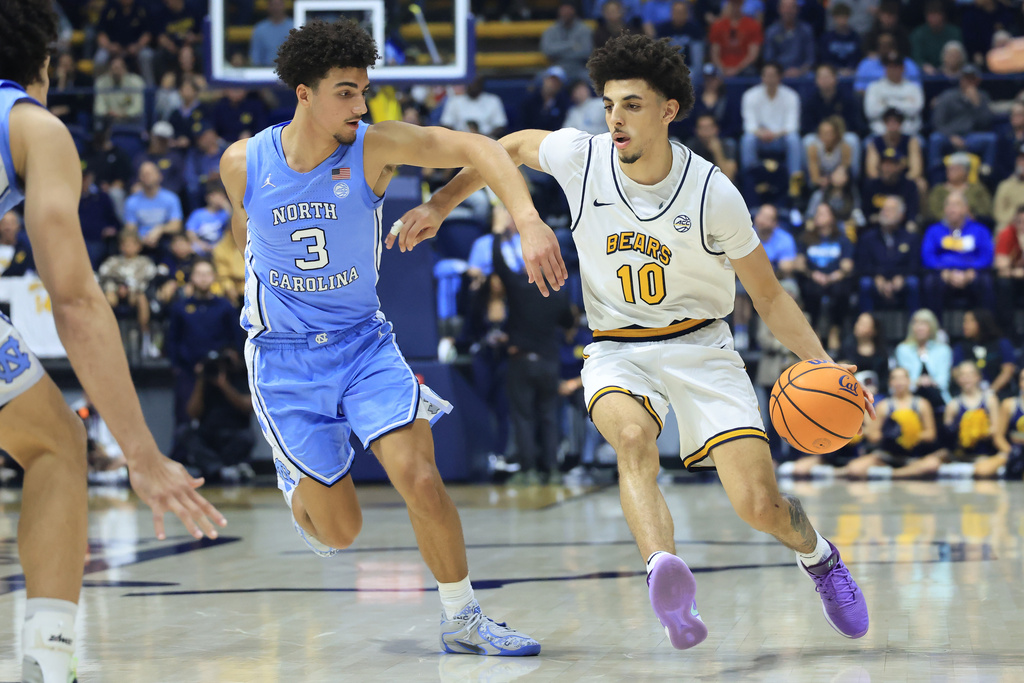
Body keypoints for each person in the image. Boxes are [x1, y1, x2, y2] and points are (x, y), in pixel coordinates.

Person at [394, 32, 872, 649]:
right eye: (609, 104)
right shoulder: (581, 155)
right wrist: (441, 203)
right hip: (618, 349)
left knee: (759, 505)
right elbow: (506, 147)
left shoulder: (712, 193)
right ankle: (665, 576)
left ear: (669, 110)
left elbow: (772, 297)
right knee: (630, 438)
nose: (615, 117)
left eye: (633, 105)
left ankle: (820, 557)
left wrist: (825, 365)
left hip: (703, 346)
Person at [219, 19, 558, 655]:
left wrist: (519, 218)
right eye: (346, 92)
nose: (360, 105)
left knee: (422, 478)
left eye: (364, 91)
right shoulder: (242, 162)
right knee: (339, 533)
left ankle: (463, 619)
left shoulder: (374, 147)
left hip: (363, 343)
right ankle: (300, 485)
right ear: (304, 93)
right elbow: (247, 242)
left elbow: (486, 149)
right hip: (284, 361)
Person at [0, 4, 225, 681]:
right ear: (45, 65)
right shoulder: (34, 126)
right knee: (56, 444)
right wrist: (142, 452)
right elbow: (72, 297)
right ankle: (48, 653)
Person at [489, 205, 574, 485]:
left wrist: (499, 232)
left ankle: (528, 469)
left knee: (523, 417)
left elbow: (499, 265)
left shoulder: (520, 286)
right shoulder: (558, 295)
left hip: (521, 360)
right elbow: (567, 322)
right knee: (549, 416)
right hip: (549, 361)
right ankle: (550, 468)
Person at [838, 367, 942, 479]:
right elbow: (873, 436)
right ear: (890, 382)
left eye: (902, 378)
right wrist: (889, 435)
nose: (899, 382)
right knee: (855, 468)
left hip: (914, 457)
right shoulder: (884, 406)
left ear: (909, 381)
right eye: (895, 378)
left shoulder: (922, 404)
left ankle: (894, 474)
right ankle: (905, 473)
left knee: (932, 464)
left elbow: (931, 434)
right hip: (888, 456)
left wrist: (909, 434)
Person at [921, 191, 994, 315]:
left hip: (972, 273)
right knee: (930, 283)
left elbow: (987, 255)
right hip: (943, 273)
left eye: (956, 205)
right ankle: (937, 329)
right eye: (948, 205)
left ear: (966, 209)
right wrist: (944, 271)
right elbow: (928, 256)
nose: (951, 209)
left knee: (985, 282)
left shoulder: (980, 230)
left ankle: (983, 327)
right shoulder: (934, 230)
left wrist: (972, 270)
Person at [795, 203, 855, 352]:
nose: (819, 216)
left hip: (835, 279)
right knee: (810, 290)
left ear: (832, 217)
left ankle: (835, 329)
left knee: (841, 291)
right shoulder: (806, 238)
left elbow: (848, 265)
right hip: (813, 278)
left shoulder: (842, 239)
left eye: (824, 213)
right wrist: (812, 273)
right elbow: (799, 263)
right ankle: (815, 331)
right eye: (818, 213)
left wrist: (836, 275)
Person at [928, 66, 996, 176]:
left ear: (977, 81)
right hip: (949, 136)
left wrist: (976, 104)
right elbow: (937, 122)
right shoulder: (948, 96)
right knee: (935, 138)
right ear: (961, 80)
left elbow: (986, 123)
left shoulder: (983, 97)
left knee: (991, 139)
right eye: (966, 79)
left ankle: (986, 172)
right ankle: (935, 172)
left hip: (971, 137)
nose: (969, 82)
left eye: (972, 79)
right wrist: (951, 136)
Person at [856, 196, 920, 312]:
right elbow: (862, 265)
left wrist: (901, 276)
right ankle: (865, 324)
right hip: (875, 279)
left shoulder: (911, 238)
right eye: (884, 209)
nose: (885, 213)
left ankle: (914, 326)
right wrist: (877, 276)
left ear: (901, 215)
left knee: (913, 283)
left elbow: (915, 264)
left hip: (901, 280)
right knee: (865, 283)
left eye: (890, 210)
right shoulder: (868, 237)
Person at [739, 62, 802, 180]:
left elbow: (792, 125)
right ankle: (749, 179)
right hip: (760, 138)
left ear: (780, 77)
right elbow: (749, 125)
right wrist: (761, 133)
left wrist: (775, 134)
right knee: (747, 139)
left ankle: (795, 182)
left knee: (794, 139)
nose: (769, 79)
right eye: (766, 75)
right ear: (762, 77)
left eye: (773, 75)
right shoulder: (750, 95)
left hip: (780, 138)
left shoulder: (791, 96)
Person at [951, 309, 1018, 398]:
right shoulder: (960, 346)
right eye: (964, 321)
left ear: (982, 322)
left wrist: (991, 391)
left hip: (998, 393)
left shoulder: (1002, 343)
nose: (965, 325)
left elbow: (1007, 371)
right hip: (969, 394)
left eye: (970, 321)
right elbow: (956, 372)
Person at [895, 308, 953, 404]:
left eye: (924, 324)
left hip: (938, 396)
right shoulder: (903, 349)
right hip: (910, 395)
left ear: (932, 327)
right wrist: (917, 382)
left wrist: (931, 381)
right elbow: (903, 379)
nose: (920, 328)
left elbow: (943, 382)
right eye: (916, 324)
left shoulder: (943, 350)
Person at [864, 51, 924, 138]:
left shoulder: (914, 88)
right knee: (867, 143)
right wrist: (904, 103)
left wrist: (886, 102)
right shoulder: (874, 87)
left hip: (909, 134)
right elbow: (871, 112)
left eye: (896, 67)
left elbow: (915, 110)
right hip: (880, 135)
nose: (893, 70)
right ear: (885, 68)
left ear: (903, 68)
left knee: (921, 142)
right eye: (890, 66)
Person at [925, 152, 992, 224]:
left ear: (966, 171)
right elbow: (932, 211)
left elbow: (986, 210)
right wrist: (952, 217)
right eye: (949, 169)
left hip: (973, 225)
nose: (949, 172)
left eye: (955, 169)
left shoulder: (978, 189)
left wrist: (970, 216)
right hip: (943, 227)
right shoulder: (938, 190)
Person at [540, 1, 594, 84]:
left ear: (574, 10)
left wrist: (558, 52)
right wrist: (572, 45)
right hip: (557, 67)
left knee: (594, 82)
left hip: (579, 68)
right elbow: (547, 50)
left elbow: (586, 52)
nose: (566, 12)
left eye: (569, 9)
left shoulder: (584, 29)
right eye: (563, 9)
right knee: (540, 81)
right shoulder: (551, 30)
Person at [439, 76, 508, 139]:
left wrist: (485, 137)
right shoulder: (454, 100)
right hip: (459, 140)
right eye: (471, 84)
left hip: (487, 141)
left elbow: (500, 125)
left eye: (476, 84)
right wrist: (458, 135)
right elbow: (446, 123)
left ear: (481, 84)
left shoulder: (493, 100)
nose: (473, 87)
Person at [708, 0, 763, 77]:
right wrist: (722, 68)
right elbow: (715, 53)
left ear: (742, 5)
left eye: (738, 4)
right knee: (709, 70)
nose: (735, 7)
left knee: (751, 71)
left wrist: (737, 69)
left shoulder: (753, 25)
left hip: (744, 69)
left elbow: (753, 55)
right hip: (721, 69)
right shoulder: (717, 26)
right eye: (732, 4)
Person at [762, 0, 816, 78]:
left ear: (797, 9)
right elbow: (769, 59)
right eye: (785, 7)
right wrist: (781, 72)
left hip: (802, 72)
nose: (788, 11)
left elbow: (810, 59)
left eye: (792, 7)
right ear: (779, 9)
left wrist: (800, 71)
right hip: (778, 74)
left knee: (812, 76)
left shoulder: (806, 30)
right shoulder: (771, 32)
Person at [910, 1, 963, 75]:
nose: (934, 18)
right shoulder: (918, 33)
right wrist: (924, 66)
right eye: (931, 14)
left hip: (951, 71)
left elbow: (960, 55)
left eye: (937, 14)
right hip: (926, 74)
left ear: (943, 15)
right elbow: (917, 57)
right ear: (926, 16)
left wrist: (947, 66)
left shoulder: (954, 32)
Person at [994, 204, 1024, 334]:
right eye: (1019, 222)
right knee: (1003, 284)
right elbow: (1001, 265)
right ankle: (1007, 331)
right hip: (1012, 280)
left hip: (1017, 274)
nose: (1022, 225)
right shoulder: (1007, 233)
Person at [992, 367, 1024, 479]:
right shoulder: (1009, 404)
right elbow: (998, 437)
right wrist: (1011, 452)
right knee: (982, 470)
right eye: (1023, 379)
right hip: (1013, 450)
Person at [819, 3, 862, 76]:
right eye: (839, 18)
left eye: (844, 17)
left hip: (852, 73)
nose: (842, 21)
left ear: (848, 18)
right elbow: (825, 59)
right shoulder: (826, 38)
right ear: (834, 18)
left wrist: (850, 69)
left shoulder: (855, 37)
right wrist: (838, 69)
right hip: (832, 73)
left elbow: (857, 57)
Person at [249, 0, 293, 67]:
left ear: (284, 5)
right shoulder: (259, 29)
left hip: (290, 70)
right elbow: (255, 57)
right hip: (265, 73)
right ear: (268, 7)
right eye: (273, 5)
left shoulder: (294, 26)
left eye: (278, 4)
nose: (276, 8)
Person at [993, 144, 1024, 230]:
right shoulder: (1005, 185)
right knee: (1001, 229)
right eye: (1021, 160)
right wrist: (1015, 218)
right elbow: (998, 213)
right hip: (1009, 225)